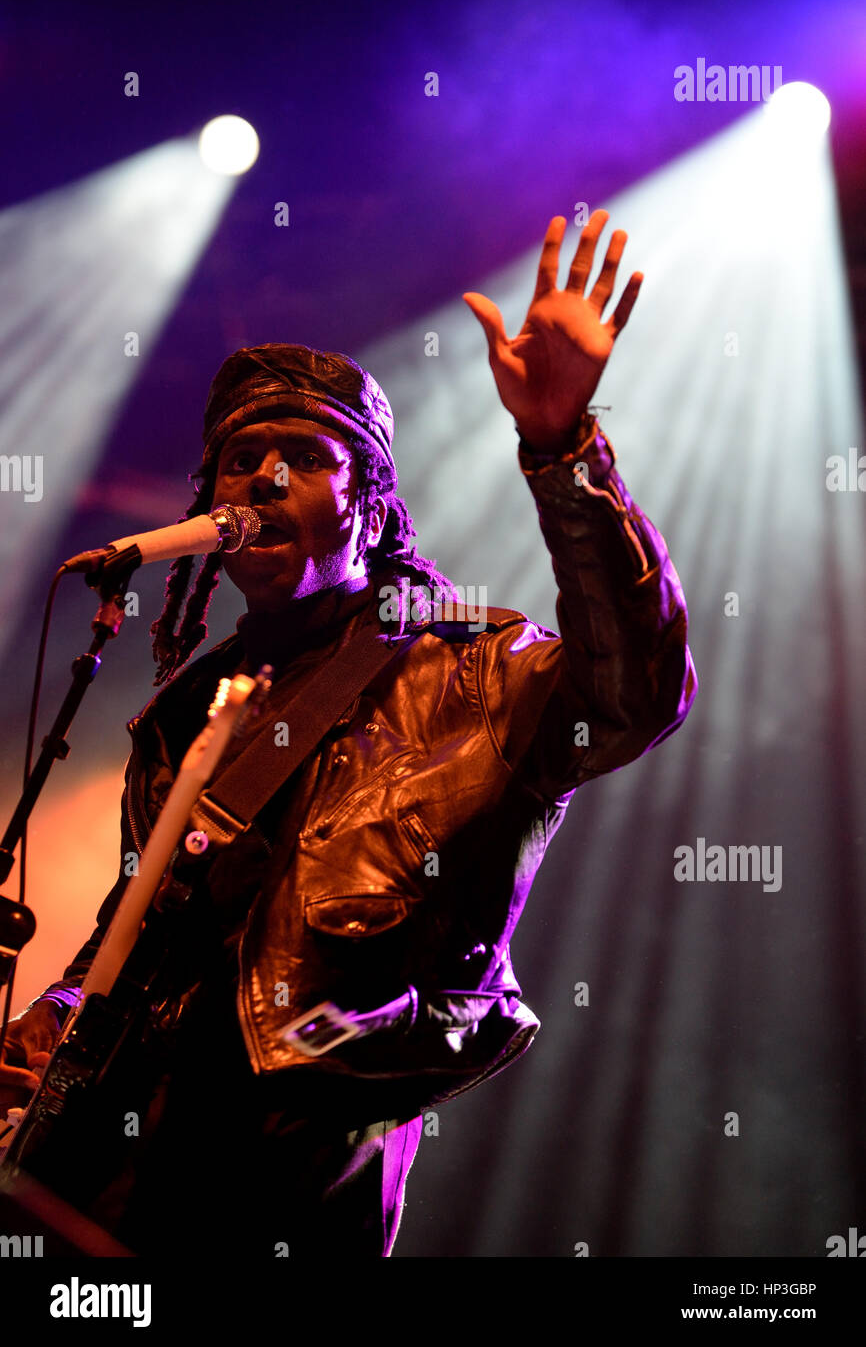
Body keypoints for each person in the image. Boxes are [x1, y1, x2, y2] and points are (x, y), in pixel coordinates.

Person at [0, 210, 697, 1256]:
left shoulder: (472, 668)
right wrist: (58, 1010)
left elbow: (636, 692)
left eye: (301, 457)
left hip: (292, 1168)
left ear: (370, 506)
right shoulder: (185, 712)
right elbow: (140, 928)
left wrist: (560, 451)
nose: (262, 481)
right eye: (240, 461)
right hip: (113, 1165)